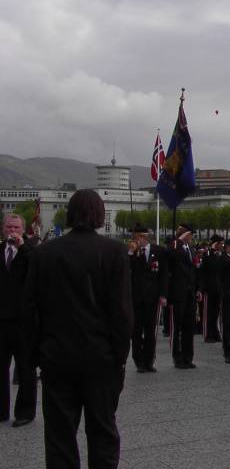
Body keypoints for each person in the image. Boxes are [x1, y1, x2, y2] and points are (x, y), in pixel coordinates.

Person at [24, 189, 133, 468]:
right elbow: (121, 312)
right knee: (103, 433)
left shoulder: (44, 253)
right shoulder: (114, 252)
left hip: (56, 358)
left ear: (70, 214)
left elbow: (31, 310)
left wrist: (37, 355)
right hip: (101, 359)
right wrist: (120, 357)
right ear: (98, 215)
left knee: (59, 437)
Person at [1, 213, 37, 427]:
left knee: (25, 367)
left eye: (16, 228)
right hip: (2, 318)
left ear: (22, 230)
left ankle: (25, 412)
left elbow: (37, 268)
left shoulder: (30, 251)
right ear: (3, 229)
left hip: (24, 321)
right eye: (8, 227)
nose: (12, 231)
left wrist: (22, 247)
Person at [128, 224, 168, 373]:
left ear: (145, 237)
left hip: (152, 297)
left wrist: (163, 294)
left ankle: (149, 360)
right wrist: (131, 253)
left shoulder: (158, 251)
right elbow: (126, 269)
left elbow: (163, 274)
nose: (136, 240)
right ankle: (139, 361)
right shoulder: (132, 252)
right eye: (135, 238)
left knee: (151, 331)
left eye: (138, 237)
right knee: (137, 331)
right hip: (136, 298)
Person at [166, 223, 201, 369]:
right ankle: (177, 357)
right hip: (178, 293)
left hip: (190, 293)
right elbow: (172, 257)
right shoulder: (175, 246)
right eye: (190, 234)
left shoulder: (191, 249)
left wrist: (198, 289)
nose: (191, 238)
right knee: (177, 327)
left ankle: (188, 356)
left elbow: (195, 270)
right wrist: (179, 241)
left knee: (188, 327)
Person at [199, 234, 223, 343]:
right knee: (208, 312)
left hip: (219, 288)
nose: (221, 245)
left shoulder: (221, 255)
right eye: (219, 244)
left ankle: (215, 332)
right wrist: (212, 251)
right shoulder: (207, 254)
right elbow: (209, 265)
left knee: (216, 312)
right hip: (208, 287)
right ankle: (208, 334)